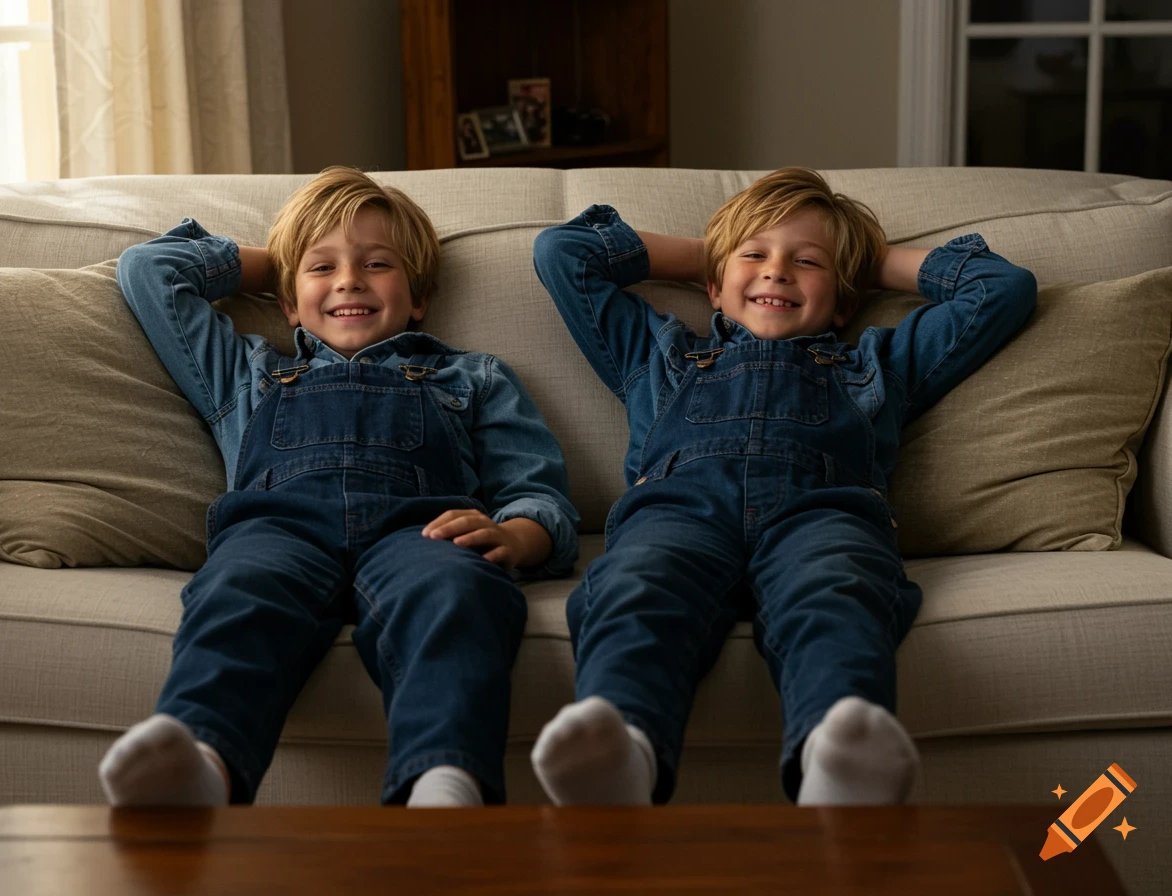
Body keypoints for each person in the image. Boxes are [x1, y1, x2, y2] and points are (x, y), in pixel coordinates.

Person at [529, 167, 1036, 807]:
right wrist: (709, 257)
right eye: (755, 256)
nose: (777, 272)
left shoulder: (879, 364)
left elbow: (1003, 289)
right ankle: (622, 752)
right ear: (712, 285)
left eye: (806, 262)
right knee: (636, 584)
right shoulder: (658, 355)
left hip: (822, 515)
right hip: (676, 513)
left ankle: (839, 758)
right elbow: (562, 254)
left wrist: (866, 262)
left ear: (847, 301)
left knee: (837, 589)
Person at [99, 166, 578, 808]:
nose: (349, 279)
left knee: (457, 595)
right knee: (238, 591)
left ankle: (445, 782)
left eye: (376, 265)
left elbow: (537, 491)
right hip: (279, 533)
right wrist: (279, 263)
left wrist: (519, 537)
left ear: (419, 296)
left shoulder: (474, 376)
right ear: (287, 302)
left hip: (423, 532)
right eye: (323, 269)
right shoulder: (250, 374)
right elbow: (148, 272)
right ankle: (201, 760)